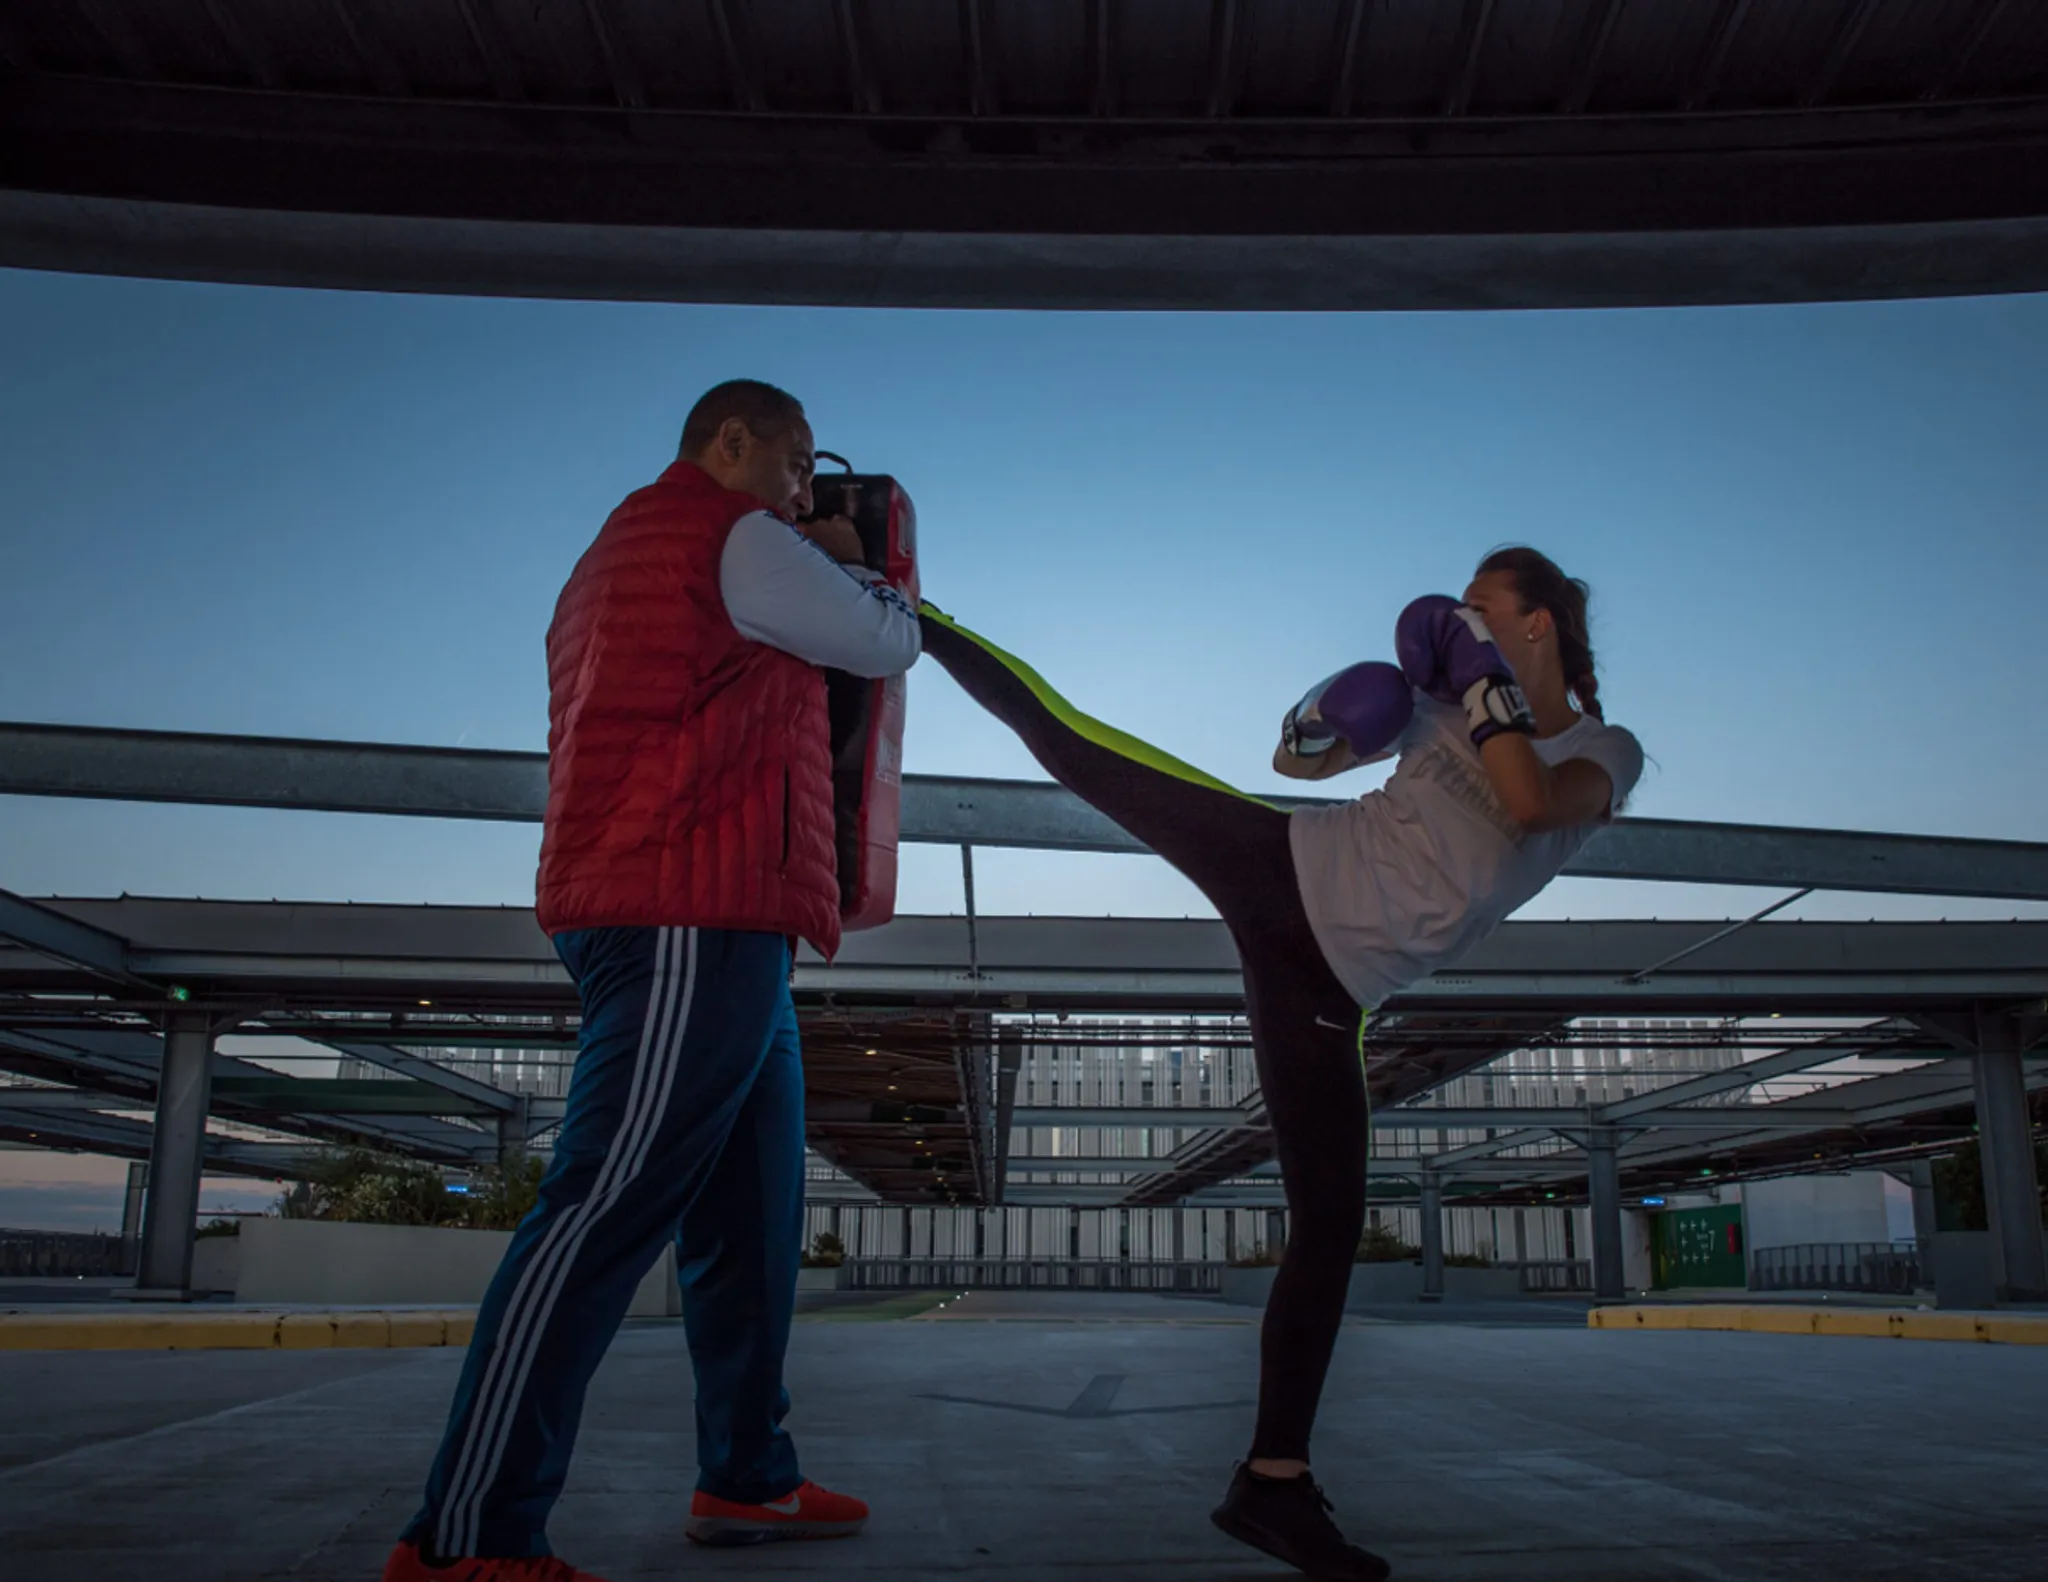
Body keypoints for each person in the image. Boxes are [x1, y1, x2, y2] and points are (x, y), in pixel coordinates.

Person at [917, 545, 1642, 1582]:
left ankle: (1268, 1484)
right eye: (1462, 612)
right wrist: (1337, 714)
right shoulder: (1441, 697)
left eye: (1482, 608)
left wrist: (1472, 682)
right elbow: (1293, 767)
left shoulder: (1604, 748)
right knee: (1074, 742)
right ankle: (911, 614)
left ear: (1536, 625)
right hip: (1281, 864)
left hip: (1331, 988)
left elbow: (1527, 802)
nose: (1463, 621)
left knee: (1329, 1227)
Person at [384, 380, 921, 1582]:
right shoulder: (727, 535)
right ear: (728, 442)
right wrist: (859, 559)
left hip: (723, 917)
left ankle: (750, 1480)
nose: (798, 490)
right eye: (790, 462)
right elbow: (886, 640)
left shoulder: (622, 549)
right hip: (690, 906)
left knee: (749, 1220)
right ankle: (468, 1538)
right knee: (599, 1211)